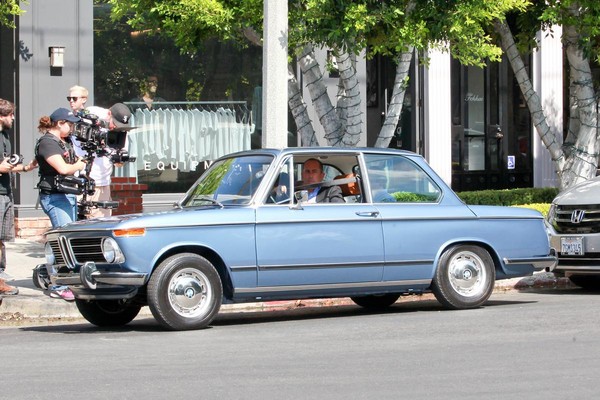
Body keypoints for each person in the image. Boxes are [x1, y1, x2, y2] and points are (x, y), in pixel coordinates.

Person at [35, 107, 87, 301]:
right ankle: (58, 284)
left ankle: (67, 280)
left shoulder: (62, 142)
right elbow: (63, 168)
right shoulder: (48, 143)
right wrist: (79, 165)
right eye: (70, 124)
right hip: (54, 197)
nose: (72, 127)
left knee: (68, 240)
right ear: (59, 124)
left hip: (67, 195)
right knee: (61, 241)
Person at [69, 87, 132, 218]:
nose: (115, 127)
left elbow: (119, 163)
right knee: (78, 223)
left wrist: (119, 160)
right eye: (114, 124)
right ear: (109, 114)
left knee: (102, 223)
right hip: (82, 179)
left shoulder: (121, 132)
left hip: (103, 182)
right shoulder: (90, 116)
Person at [0, 99, 38, 295]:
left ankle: (0, 276)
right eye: (10, 115)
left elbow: (7, 164)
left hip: (6, 191)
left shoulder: (5, 136)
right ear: (1, 117)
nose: (13, 118)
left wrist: (25, 167)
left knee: (1, 238)